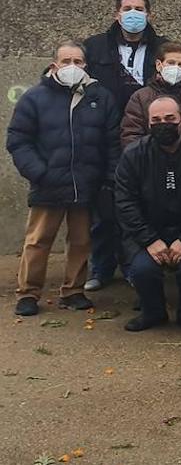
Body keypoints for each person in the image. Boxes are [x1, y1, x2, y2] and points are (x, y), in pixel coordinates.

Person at [7, 41, 120, 316]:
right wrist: (39, 172)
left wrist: (106, 179)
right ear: (54, 64)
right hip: (48, 183)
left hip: (85, 184)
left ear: (86, 65)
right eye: (66, 61)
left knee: (81, 240)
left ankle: (73, 291)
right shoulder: (34, 97)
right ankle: (29, 293)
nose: (72, 66)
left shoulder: (100, 97)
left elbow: (112, 142)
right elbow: (18, 140)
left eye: (78, 62)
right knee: (38, 240)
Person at [114, 95, 181, 333]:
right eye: (156, 120)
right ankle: (153, 312)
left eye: (170, 118)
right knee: (142, 269)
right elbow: (125, 202)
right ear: (148, 123)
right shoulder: (133, 154)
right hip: (148, 233)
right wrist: (150, 241)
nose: (163, 123)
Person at [82, 0, 166, 292]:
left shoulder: (162, 48)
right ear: (117, 14)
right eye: (128, 8)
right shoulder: (94, 48)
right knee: (104, 206)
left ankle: (134, 266)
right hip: (104, 136)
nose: (134, 14)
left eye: (140, 8)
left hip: (146, 136)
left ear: (149, 14)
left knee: (138, 204)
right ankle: (101, 267)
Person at [120, 41, 181, 148]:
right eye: (171, 63)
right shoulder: (140, 97)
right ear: (159, 65)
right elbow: (131, 135)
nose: (176, 68)